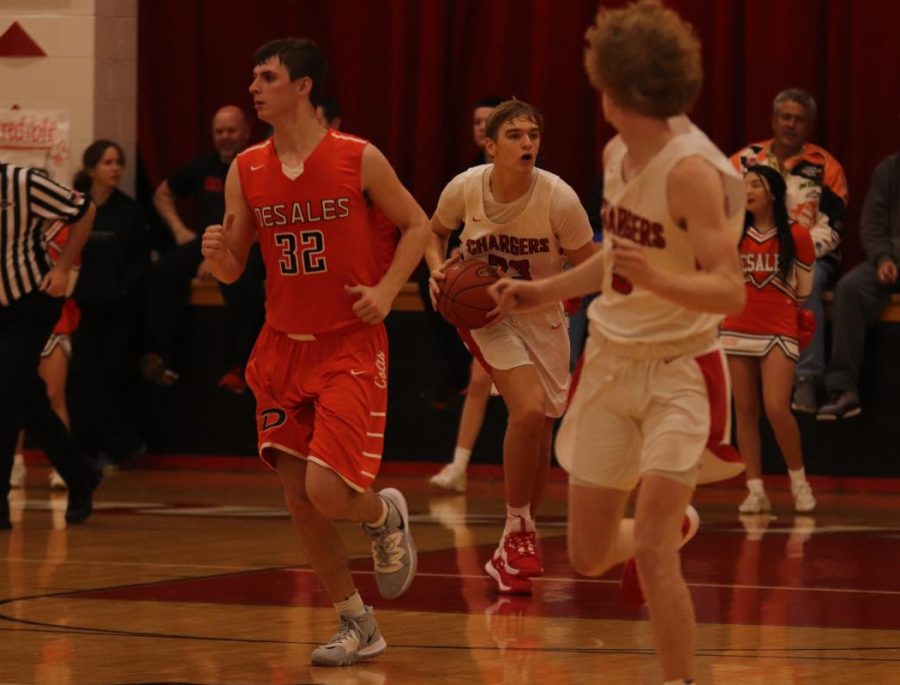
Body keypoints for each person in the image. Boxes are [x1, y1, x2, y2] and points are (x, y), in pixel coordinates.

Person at [491, 2, 746, 682]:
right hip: (608, 362)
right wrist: (542, 291)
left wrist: (659, 275)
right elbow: (615, 261)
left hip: (679, 372)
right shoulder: (615, 153)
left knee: (656, 553)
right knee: (591, 553)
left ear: (623, 86)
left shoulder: (693, 171)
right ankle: (676, 525)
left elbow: (731, 289)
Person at [201, 38, 430, 667]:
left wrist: (387, 290)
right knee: (299, 498)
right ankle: (357, 623)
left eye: (267, 76)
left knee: (330, 493)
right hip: (280, 349)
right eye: (253, 76)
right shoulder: (246, 167)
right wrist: (217, 251)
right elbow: (231, 268)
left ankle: (383, 515)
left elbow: (419, 224)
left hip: (348, 345)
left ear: (303, 87)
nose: (254, 87)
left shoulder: (358, 157)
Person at [427, 99, 597, 594]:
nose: (527, 144)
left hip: (543, 316)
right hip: (486, 317)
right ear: (490, 145)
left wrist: (547, 292)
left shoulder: (558, 199)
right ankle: (519, 530)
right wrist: (437, 271)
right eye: (516, 135)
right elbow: (431, 232)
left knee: (540, 427)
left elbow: (592, 269)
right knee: (525, 413)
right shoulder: (465, 187)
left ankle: (513, 542)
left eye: (533, 135)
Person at [731, 88, 849, 414]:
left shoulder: (827, 168)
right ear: (773, 120)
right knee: (716, 282)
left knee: (800, 281)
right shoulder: (743, 162)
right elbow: (722, 211)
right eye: (785, 117)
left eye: (799, 120)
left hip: (808, 255)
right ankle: (725, 373)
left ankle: (807, 378)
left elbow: (833, 229)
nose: (791, 125)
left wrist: (795, 251)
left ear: (809, 126)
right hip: (746, 252)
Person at [1, 161, 101, 529]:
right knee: (27, 400)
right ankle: (81, 474)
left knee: (6, 393)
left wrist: (62, 268)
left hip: (31, 299)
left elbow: (85, 208)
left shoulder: (22, 182)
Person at [144, 104, 264, 392]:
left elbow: (268, 218)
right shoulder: (203, 168)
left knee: (243, 282)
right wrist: (179, 231)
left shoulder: (259, 166)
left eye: (231, 130)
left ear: (246, 132)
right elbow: (162, 194)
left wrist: (219, 260)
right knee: (162, 271)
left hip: (248, 244)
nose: (225, 136)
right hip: (205, 242)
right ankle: (161, 356)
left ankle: (238, 366)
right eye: (219, 131)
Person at [719, 165, 817, 513]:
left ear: (773, 192)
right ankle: (755, 488)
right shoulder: (732, 233)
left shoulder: (799, 236)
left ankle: (799, 482)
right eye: (744, 185)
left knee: (777, 407)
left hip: (778, 326)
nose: (748, 191)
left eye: (756, 185)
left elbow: (803, 292)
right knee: (744, 410)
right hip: (736, 326)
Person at [429, 96, 504, 493]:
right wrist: (451, 263)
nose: (481, 127)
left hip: (529, 291)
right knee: (479, 381)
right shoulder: (465, 178)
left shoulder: (538, 180)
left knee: (536, 405)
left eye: (488, 120)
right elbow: (439, 230)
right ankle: (459, 466)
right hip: (487, 293)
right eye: (476, 121)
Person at [69, 140, 150, 469]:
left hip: (117, 312)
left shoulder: (129, 211)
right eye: (107, 162)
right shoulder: (74, 208)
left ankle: (115, 447)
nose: (115, 168)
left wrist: (122, 292)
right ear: (91, 169)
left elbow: (139, 261)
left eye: (118, 162)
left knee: (112, 378)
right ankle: (90, 447)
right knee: (82, 379)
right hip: (79, 310)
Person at [817, 152, 900, 419]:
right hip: (892, 261)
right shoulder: (888, 170)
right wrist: (883, 259)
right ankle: (843, 390)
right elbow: (872, 226)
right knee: (850, 288)